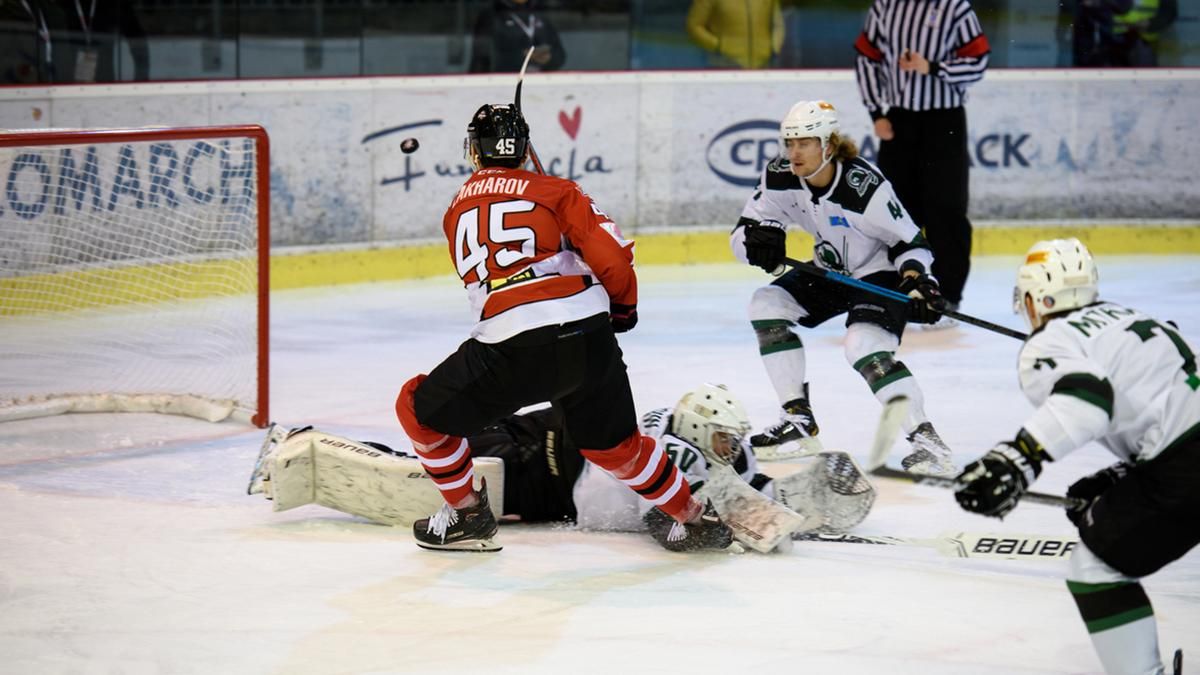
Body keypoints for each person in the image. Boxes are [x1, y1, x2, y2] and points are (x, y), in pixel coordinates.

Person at [394, 102, 732, 553]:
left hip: (513, 342)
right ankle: (695, 519)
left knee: (418, 409)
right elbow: (611, 256)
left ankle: (467, 513)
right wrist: (623, 309)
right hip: (589, 335)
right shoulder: (559, 190)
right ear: (525, 147)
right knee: (616, 446)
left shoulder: (455, 210)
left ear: (474, 152)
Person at [954, 238, 1196, 675]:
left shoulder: (1049, 341)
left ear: (1033, 300)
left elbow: (1088, 399)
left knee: (1096, 568)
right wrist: (1125, 476)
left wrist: (1017, 460)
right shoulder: (1133, 317)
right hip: (1182, 453)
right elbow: (1169, 402)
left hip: (1187, 466)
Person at [248, 385, 877, 549]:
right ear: (694, 429)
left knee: (436, 456)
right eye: (720, 438)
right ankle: (299, 447)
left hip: (539, 433)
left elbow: (748, 484)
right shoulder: (679, 452)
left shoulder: (695, 440)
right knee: (420, 486)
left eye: (730, 439)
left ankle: (300, 438)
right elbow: (679, 520)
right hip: (537, 472)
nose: (728, 448)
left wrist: (816, 487)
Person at [729, 99, 956, 476]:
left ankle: (927, 440)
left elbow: (911, 243)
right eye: (790, 142)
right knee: (766, 303)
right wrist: (755, 244)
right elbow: (740, 234)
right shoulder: (779, 175)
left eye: (805, 143)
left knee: (863, 347)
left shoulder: (864, 188)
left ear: (829, 145)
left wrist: (920, 283)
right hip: (829, 271)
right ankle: (797, 420)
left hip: (878, 276)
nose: (794, 152)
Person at [854, 0, 989, 323]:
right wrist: (876, 112)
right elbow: (866, 56)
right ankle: (898, 290)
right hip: (899, 121)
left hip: (945, 121)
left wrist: (934, 67)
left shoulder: (955, 8)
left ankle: (947, 295)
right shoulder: (886, 7)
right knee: (894, 212)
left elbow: (978, 60)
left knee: (946, 209)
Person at [469, 0, 565, 74]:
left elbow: (560, 54)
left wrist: (549, 57)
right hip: (502, 84)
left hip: (540, 82)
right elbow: (484, 58)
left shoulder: (539, 15)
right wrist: (522, 56)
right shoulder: (491, 17)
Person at [685, 0, 785, 69]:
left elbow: (778, 23)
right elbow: (694, 25)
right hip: (724, 62)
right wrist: (718, 45)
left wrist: (773, 47)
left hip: (763, 63)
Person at [1109, 0, 1178, 67]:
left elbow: (1169, 11)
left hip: (1146, 43)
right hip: (1109, 41)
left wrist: (1150, 24)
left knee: (1146, 73)